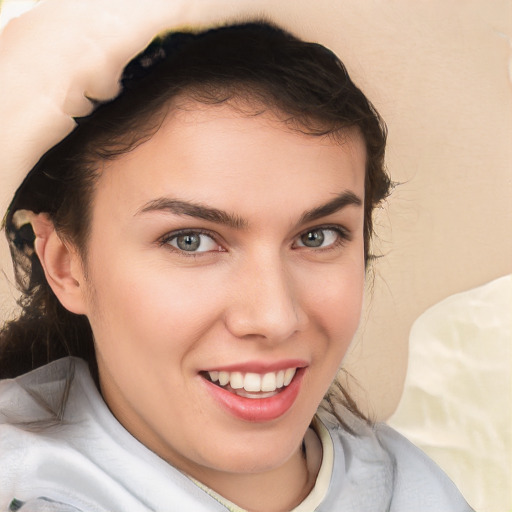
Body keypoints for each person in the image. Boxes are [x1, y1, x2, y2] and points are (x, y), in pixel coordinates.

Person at [0, 1, 474, 511]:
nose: (273, 317)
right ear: (66, 266)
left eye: (318, 237)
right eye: (191, 240)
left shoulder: (415, 487)